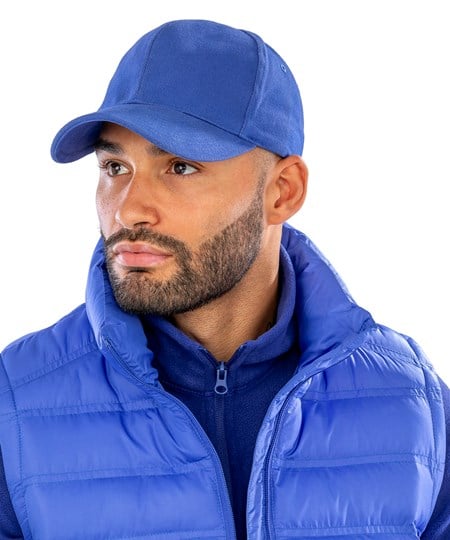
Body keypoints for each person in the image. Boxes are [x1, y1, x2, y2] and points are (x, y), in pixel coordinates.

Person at [0, 18, 448, 539]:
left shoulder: (411, 401)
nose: (127, 210)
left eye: (180, 167)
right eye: (115, 167)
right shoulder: (18, 403)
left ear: (282, 191)